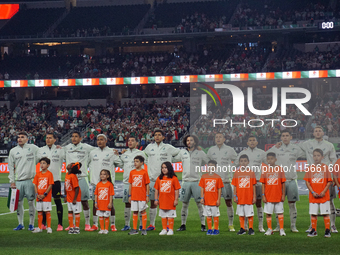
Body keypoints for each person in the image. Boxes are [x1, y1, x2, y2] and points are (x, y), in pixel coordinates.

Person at [276, 126, 337, 233]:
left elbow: (334, 161)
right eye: (315, 131)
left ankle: (332, 225)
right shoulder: (307, 144)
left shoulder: (329, 145)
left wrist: (333, 176)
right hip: (312, 176)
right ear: (313, 133)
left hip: (325, 176)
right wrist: (280, 143)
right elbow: (292, 146)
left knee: (329, 201)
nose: (318, 132)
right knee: (312, 201)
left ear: (323, 133)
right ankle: (312, 226)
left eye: (320, 131)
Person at [266, 129, 304, 232]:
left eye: (287, 135)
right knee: (278, 204)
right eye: (283, 136)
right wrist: (274, 146)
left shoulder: (296, 148)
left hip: (291, 180)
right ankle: (278, 226)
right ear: (281, 137)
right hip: (278, 181)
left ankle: (293, 226)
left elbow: (308, 154)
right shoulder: (276, 148)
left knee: (292, 204)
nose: (285, 137)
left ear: (291, 137)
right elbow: (266, 157)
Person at [142, 130, 180, 231]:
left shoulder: (168, 147)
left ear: (163, 137)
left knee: (167, 202)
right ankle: (152, 224)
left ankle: (167, 225)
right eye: (155, 135)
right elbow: (143, 156)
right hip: (153, 178)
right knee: (153, 202)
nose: (157, 136)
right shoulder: (149, 147)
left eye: (159, 135)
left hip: (165, 179)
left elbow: (179, 153)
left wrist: (172, 160)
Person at [173, 134, 209, 232]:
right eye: (188, 140)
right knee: (184, 205)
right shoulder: (182, 152)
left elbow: (208, 161)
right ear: (186, 142)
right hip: (185, 182)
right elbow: (173, 159)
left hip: (197, 181)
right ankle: (183, 225)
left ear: (195, 142)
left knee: (200, 204)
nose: (189, 142)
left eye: (191, 140)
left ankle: (203, 225)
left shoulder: (200, 153)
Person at [88, 134, 123, 232]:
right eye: (98, 139)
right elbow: (86, 163)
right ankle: (95, 224)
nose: (99, 141)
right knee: (96, 204)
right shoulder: (92, 152)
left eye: (101, 140)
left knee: (110, 204)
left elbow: (120, 163)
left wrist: (120, 154)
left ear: (106, 141)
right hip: (96, 183)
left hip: (108, 184)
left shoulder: (112, 152)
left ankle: (112, 224)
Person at [63, 131, 95, 231]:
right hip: (70, 178)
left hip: (82, 177)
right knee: (70, 202)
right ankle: (71, 225)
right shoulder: (67, 147)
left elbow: (97, 150)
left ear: (81, 138)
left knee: (84, 201)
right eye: (72, 136)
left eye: (76, 136)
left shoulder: (86, 147)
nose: (74, 138)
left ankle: (87, 224)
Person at [8, 131, 39, 231]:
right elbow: (10, 167)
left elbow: (44, 152)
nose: (19, 139)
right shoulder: (13, 151)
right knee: (19, 203)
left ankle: (31, 224)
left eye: (22, 137)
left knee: (31, 202)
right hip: (19, 181)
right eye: (18, 137)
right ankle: (20, 224)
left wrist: (57, 147)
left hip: (30, 180)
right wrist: (12, 181)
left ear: (27, 138)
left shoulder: (33, 148)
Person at [235, 135, 266, 232]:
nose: (252, 142)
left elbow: (269, 163)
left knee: (258, 204)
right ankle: (245, 226)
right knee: (244, 204)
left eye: (254, 140)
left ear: (257, 142)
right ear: (247, 143)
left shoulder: (261, 153)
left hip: (256, 182)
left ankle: (260, 226)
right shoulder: (243, 153)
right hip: (244, 184)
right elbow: (235, 164)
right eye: (250, 140)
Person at [207, 132, 237, 231]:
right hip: (213, 182)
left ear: (224, 139)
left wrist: (231, 168)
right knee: (213, 204)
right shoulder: (211, 150)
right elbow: (207, 162)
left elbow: (236, 160)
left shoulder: (230, 150)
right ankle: (215, 225)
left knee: (229, 203)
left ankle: (231, 224)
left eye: (220, 137)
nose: (218, 138)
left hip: (225, 181)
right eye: (216, 137)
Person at [36, 132, 65, 231]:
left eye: (50, 138)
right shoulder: (40, 150)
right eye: (47, 138)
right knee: (43, 202)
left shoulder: (60, 150)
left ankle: (60, 224)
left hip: (56, 180)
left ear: (54, 140)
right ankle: (43, 223)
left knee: (58, 202)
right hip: (43, 181)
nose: (48, 139)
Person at [119, 136, 147, 231]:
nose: (130, 142)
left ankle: (140, 225)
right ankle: (127, 224)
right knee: (127, 203)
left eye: (132, 140)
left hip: (139, 184)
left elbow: (147, 164)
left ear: (137, 143)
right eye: (129, 140)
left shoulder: (141, 153)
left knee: (140, 204)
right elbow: (121, 165)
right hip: (128, 183)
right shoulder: (124, 154)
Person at [303, 149, 332, 237]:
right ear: (313, 157)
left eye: (318, 155)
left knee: (325, 213)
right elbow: (307, 181)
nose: (316, 157)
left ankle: (327, 230)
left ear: (322, 157)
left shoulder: (325, 167)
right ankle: (313, 230)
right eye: (314, 155)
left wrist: (323, 191)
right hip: (313, 196)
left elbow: (329, 181)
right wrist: (312, 192)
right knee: (313, 213)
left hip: (324, 195)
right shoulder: (310, 168)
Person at [260, 152, 286, 236]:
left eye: (271, 159)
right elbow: (263, 184)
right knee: (268, 213)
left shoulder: (280, 169)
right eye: (268, 159)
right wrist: (263, 195)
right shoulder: (265, 170)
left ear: (275, 159)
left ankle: (281, 229)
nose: (270, 160)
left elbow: (283, 183)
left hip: (278, 195)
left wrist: (283, 194)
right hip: (268, 196)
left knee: (280, 213)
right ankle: (269, 229)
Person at [231, 154, 257, 235]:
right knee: (241, 213)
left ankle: (251, 228)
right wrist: (234, 196)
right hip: (240, 197)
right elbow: (235, 185)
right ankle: (242, 228)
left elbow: (253, 185)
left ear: (248, 162)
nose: (243, 163)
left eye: (245, 161)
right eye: (241, 161)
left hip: (249, 197)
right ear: (239, 162)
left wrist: (254, 196)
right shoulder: (236, 173)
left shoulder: (251, 173)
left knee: (249, 214)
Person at [154, 162, 181, 236]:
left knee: (170, 216)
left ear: (169, 168)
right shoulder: (159, 178)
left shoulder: (174, 178)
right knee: (163, 215)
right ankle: (164, 229)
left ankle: (171, 229)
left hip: (170, 201)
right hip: (162, 200)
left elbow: (177, 190)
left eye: (165, 167)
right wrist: (156, 199)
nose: (164, 169)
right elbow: (156, 189)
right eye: (162, 168)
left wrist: (176, 199)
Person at [199, 160, 224, 235]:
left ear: (215, 168)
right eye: (209, 166)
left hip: (214, 200)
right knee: (208, 215)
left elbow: (219, 189)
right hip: (207, 200)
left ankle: (216, 229)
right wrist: (202, 198)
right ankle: (209, 229)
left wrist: (218, 199)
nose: (210, 168)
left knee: (215, 215)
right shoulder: (204, 177)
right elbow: (202, 188)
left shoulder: (218, 177)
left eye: (212, 166)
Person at [128, 155, 150, 235]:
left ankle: (144, 229)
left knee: (143, 211)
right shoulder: (132, 172)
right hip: (134, 196)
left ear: (142, 163)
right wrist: (129, 195)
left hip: (142, 196)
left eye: (137, 161)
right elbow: (130, 184)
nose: (135, 163)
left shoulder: (144, 172)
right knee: (135, 211)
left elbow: (147, 184)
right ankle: (134, 229)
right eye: (134, 161)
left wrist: (147, 195)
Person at [32, 157, 54, 234]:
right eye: (41, 163)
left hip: (46, 197)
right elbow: (35, 185)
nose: (42, 165)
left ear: (48, 165)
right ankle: (39, 227)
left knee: (47, 212)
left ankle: (49, 227)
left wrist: (45, 194)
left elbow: (50, 185)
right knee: (39, 212)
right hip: (39, 197)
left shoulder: (49, 174)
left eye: (44, 163)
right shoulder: (38, 174)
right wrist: (37, 194)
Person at [94, 169, 115, 234]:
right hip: (100, 203)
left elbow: (111, 194)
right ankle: (102, 229)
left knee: (106, 216)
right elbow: (96, 194)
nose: (102, 175)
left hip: (106, 204)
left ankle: (106, 229)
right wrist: (95, 202)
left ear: (108, 176)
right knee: (100, 216)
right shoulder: (98, 184)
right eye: (101, 174)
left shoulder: (110, 184)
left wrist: (110, 203)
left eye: (104, 174)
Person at [64, 162, 82, 235]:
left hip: (75, 198)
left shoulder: (73, 176)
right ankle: (71, 227)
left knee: (76, 212)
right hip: (69, 197)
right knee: (70, 211)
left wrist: (75, 199)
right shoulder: (66, 174)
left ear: (71, 168)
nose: (67, 165)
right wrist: (65, 196)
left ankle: (77, 228)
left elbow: (77, 188)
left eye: (69, 165)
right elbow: (65, 186)